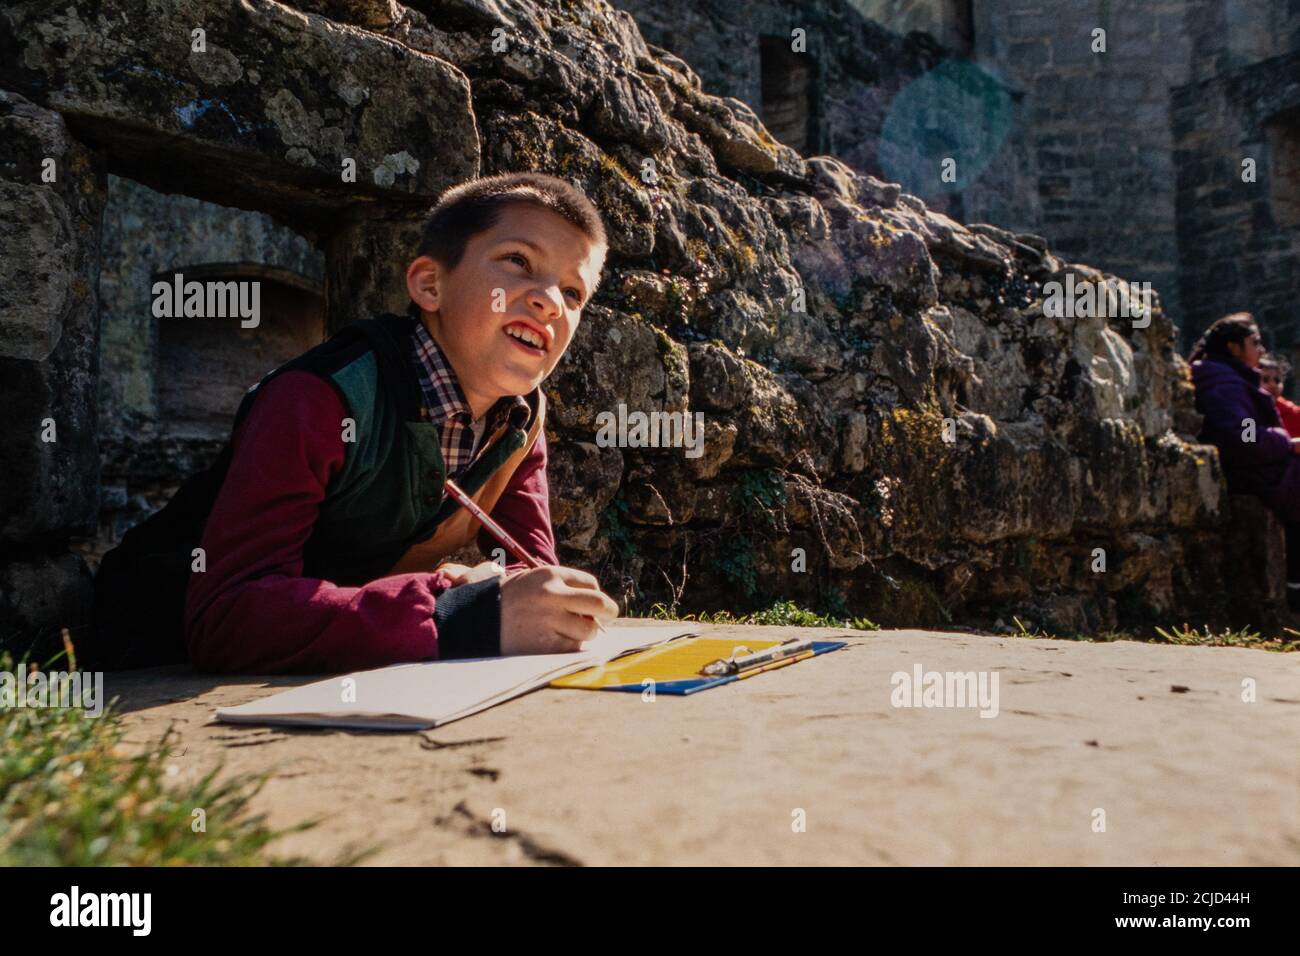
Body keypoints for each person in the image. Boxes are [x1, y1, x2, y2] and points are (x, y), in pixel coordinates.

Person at [92, 173, 619, 672]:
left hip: (335, 654)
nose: (550, 302)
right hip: (152, 651)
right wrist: (454, 609)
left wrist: (497, 587)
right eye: (518, 261)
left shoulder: (522, 420)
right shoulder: (317, 399)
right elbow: (226, 615)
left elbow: (529, 568)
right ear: (430, 284)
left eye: (573, 293)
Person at [1189, 313, 1300, 610]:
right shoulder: (1224, 382)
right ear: (1234, 347)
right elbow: (1245, 437)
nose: (1261, 350)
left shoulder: (1228, 378)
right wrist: (1284, 441)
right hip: (1253, 472)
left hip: (1262, 467)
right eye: (1255, 343)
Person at [1258, 355, 1300, 438]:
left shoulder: (1295, 414)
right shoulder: (1244, 411)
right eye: (1265, 379)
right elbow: (1248, 443)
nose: (1273, 385)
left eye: (1277, 380)